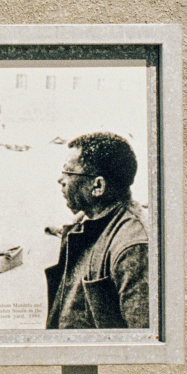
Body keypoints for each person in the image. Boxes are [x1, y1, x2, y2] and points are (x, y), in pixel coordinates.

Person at [46, 133, 149, 329]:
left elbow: (142, 345)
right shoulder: (87, 220)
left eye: (69, 172)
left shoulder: (134, 247)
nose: (61, 179)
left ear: (98, 185)